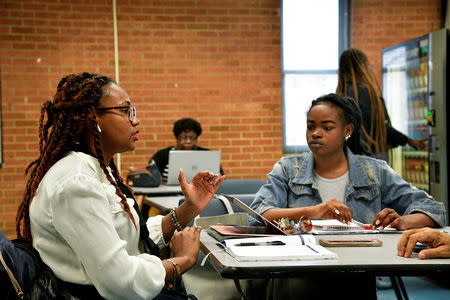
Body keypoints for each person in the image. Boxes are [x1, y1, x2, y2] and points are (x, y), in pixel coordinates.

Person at [15, 72, 225, 300]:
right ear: (92, 118)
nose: (135, 120)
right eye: (126, 111)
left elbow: (126, 241)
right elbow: (120, 281)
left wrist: (188, 210)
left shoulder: (96, 169)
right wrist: (180, 262)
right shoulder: (75, 182)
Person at [247, 93, 446, 299]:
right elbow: (258, 214)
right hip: (299, 275)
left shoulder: (374, 171)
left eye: (327, 127)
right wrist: (312, 212)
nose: (315, 133)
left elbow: (435, 208)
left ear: (347, 131)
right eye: (310, 126)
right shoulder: (288, 169)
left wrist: (404, 221)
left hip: (357, 277)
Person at [336, 48, 426, 158]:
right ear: (361, 67)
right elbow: (381, 127)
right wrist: (408, 140)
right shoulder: (363, 91)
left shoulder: (340, 94)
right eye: (367, 65)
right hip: (370, 155)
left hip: (350, 157)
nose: (369, 69)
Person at [151, 118, 224, 184]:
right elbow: (150, 174)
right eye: (184, 138)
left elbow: (221, 178)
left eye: (192, 138)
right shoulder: (163, 155)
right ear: (177, 139)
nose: (188, 141)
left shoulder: (207, 155)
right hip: (168, 194)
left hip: (201, 194)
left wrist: (218, 177)